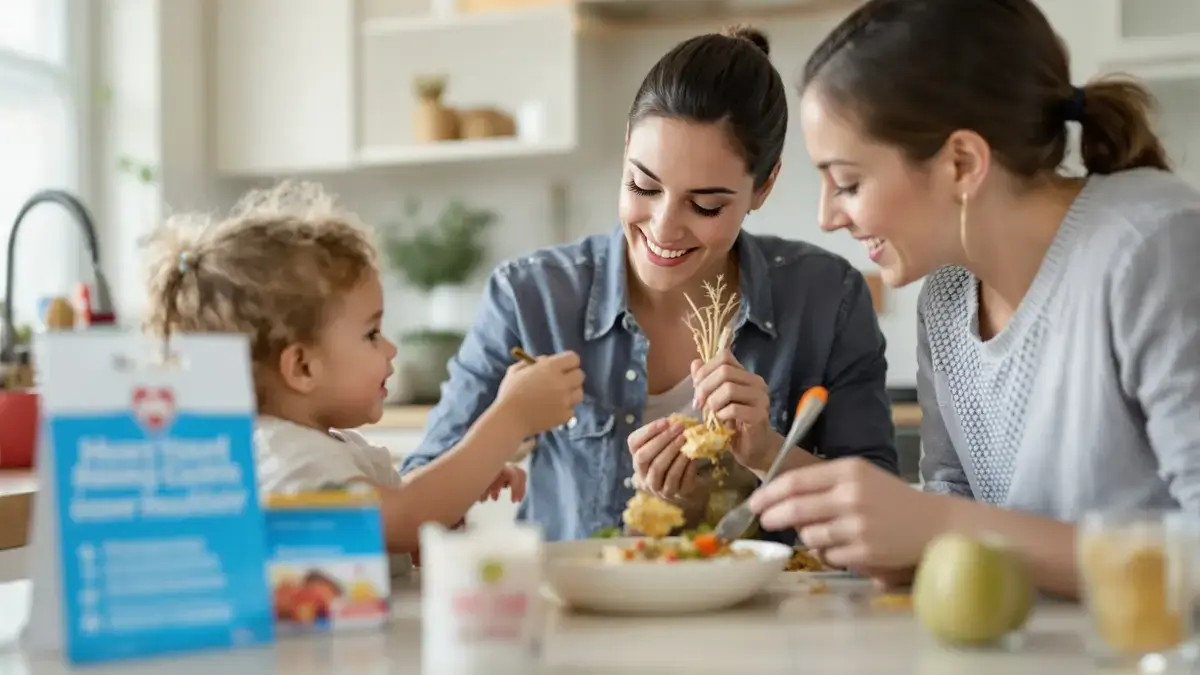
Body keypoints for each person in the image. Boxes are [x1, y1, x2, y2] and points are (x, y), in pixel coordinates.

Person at [748, 0, 1200, 597]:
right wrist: (893, 542)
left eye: (849, 182)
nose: (827, 217)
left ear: (962, 162)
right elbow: (955, 513)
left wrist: (939, 528)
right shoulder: (948, 296)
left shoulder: (1152, 248)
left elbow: (958, 525)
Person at [401, 25, 898, 542]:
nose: (663, 228)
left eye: (705, 205)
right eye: (643, 185)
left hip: (773, 614)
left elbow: (884, 514)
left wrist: (766, 451)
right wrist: (502, 426)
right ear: (625, 148)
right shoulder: (532, 298)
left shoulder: (827, 298)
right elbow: (411, 505)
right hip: (582, 613)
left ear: (763, 185)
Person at [141, 181, 585, 554]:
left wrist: (463, 481)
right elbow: (406, 517)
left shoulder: (323, 447)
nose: (390, 349)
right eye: (371, 334)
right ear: (302, 367)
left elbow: (408, 514)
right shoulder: (289, 460)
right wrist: (509, 420)